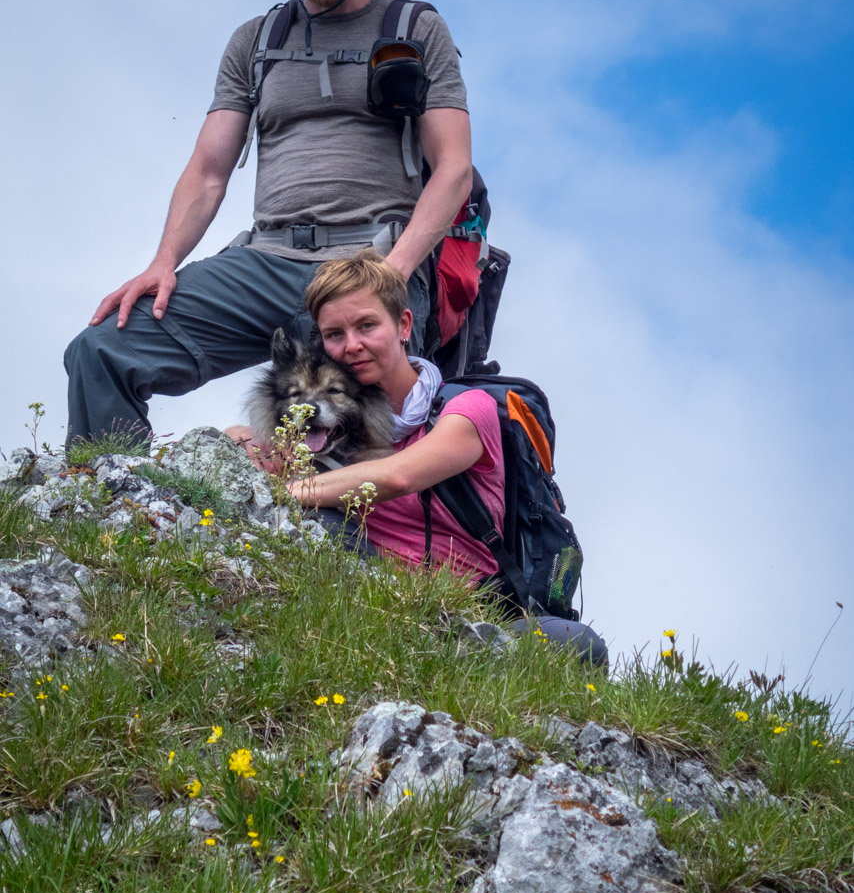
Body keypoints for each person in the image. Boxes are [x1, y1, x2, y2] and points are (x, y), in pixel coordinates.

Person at [64, 0, 471, 448]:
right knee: (104, 347)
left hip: (370, 257)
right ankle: (115, 510)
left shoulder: (413, 29)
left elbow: (453, 168)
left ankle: (342, 527)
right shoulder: (256, 41)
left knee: (332, 396)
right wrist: (163, 262)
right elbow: (208, 172)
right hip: (266, 257)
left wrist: (392, 273)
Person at [229, 250, 609, 666]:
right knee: (323, 520)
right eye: (335, 334)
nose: (352, 345)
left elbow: (398, 477)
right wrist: (243, 438)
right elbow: (246, 435)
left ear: (404, 325)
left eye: (367, 326)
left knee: (581, 645)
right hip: (377, 597)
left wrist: (288, 490)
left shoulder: (466, 410)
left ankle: (461, 653)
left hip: (478, 612)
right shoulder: (325, 431)